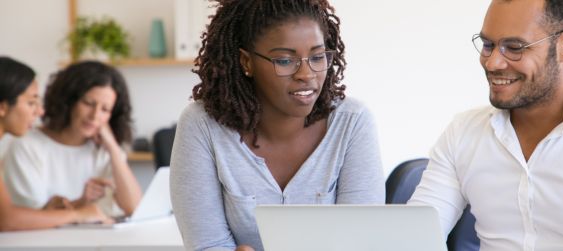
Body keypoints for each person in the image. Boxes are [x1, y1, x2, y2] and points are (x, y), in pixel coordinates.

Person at [408, 0, 563, 250]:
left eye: (514, 47)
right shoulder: (463, 132)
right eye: (488, 45)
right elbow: (415, 238)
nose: (492, 63)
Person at [170, 0, 385, 250]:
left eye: (317, 57)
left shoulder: (352, 123)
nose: (306, 74)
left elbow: (360, 244)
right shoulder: (202, 125)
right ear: (246, 62)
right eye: (284, 60)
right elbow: (207, 244)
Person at [3, 61, 142, 218]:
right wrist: (80, 203)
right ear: (68, 101)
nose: (95, 116)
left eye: (105, 109)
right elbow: (29, 218)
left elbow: (134, 208)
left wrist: (113, 148)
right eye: (88, 103)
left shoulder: (105, 150)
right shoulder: (27, 145)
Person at [0, 56, 111, 231]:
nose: (40, 111)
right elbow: (6, 220)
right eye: (31, 103)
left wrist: (47, 212)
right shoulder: (26, 146)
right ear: (3, 107)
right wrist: (79, 214)